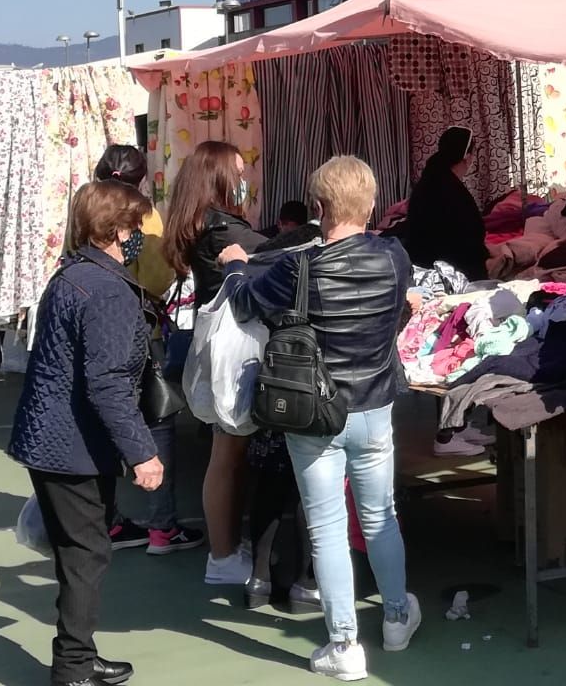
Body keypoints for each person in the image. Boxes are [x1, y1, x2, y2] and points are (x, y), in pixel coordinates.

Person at [224, 156, 420, 680]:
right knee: (380, 515)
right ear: (372, 203)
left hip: (313, 411)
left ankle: (343, 644)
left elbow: (246, 305)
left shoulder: (297, 267)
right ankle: (397, 615)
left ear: (317, 208)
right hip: (375, 405)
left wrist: (236, 265)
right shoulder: (394, 256)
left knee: (327, 525)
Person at [8, 180, 165, 686]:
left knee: (79, 551)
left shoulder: (71, 275)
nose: (140, 233)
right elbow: (108, 384)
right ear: (117, 229)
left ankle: (78, 654)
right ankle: (73, 665)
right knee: (85, 555)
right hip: (70, 444)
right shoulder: (107, 290)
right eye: (136, 225)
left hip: (51, 436)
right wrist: (143, 453)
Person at [91, 146, 203, 558]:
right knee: (157, 420)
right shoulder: (144, 216)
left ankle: (108, 519)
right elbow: (156, 279)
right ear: (142, 179)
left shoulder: (84, 208)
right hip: (140, 329)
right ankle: (161, 528)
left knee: (100, 420)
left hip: (92, 327)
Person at [162, 141, 265, 585]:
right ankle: (223, 556)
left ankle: (226, 551)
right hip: (234, 351)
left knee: (229, 451)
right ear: (220, 177)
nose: (245, 182)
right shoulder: (221, 229)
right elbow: (274, 257)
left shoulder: (204, 224)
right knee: (228, 452)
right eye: (239, 173)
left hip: (219, 348)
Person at [401, 127, 488, 281]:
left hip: (420, 263)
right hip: (451, 270)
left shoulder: (430, 178)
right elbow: (470, 236)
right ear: (467, 157)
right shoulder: (452, 191)